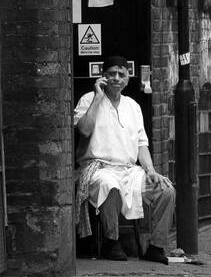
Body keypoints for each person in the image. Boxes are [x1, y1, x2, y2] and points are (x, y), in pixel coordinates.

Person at [73, 55, 174, 263]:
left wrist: (151, 170)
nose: (116, 78)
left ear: (128, 79)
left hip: (129, 170)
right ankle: (112, 242)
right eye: (111, 74)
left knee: (166, 190)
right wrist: (97, 97)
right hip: (97, 169)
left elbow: (141, 145)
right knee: (109, 184)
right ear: (103, 77)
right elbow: (83, 130)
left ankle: (156, 247)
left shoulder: (133, 106)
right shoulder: (88, 99)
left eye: (121, 74)